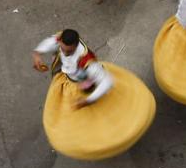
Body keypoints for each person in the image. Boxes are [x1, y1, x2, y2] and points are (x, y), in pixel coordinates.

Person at [32, 28, 156, 160]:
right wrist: (37, 54)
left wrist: (87, 101)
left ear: (75, 46)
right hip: (70, 81)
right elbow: (51, 42)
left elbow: (107, 82)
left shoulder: (88, 63)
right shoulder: (61, 41)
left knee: (99, 119)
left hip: (85, 88)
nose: (64, 52)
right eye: (62, 49)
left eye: (68, 51)